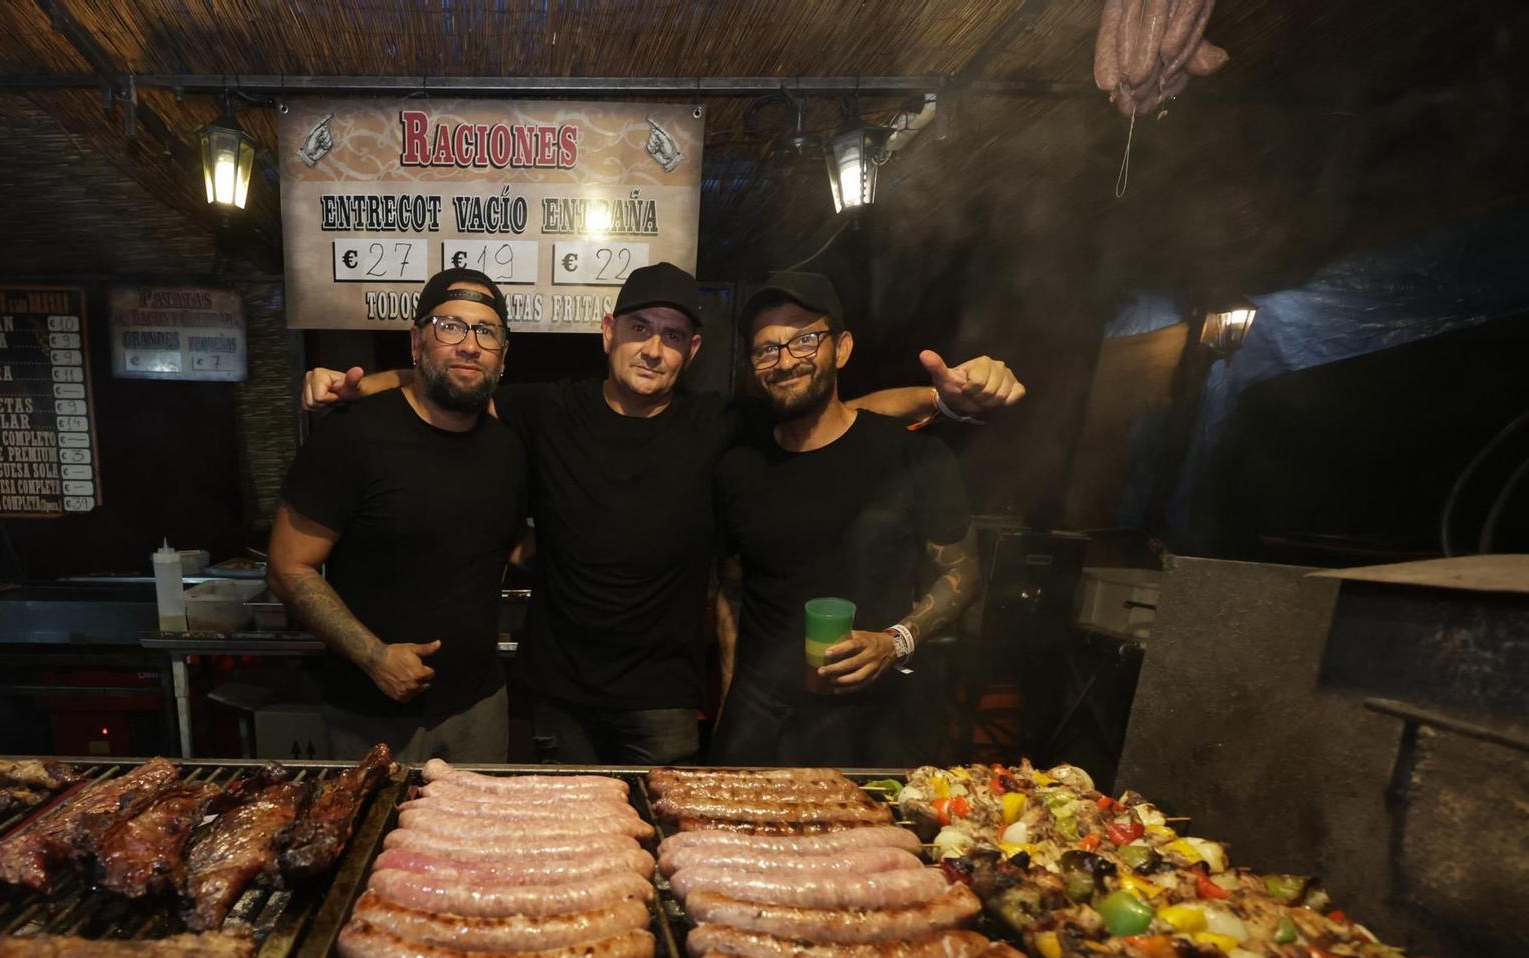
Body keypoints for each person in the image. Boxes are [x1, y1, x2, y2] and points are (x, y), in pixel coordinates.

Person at [299, 263, 1022, 765]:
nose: (653, 348)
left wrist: (945, 400)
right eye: (640, 327)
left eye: (673, 335)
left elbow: (843, 413)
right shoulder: (546, 409)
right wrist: (353, 387)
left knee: (655, 857)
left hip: (665, 701)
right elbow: (450, 382)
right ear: (607, 331)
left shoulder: (720, 422)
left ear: (693, 350)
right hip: (559, 692)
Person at [712, 271, 982, 767]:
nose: (784, 361)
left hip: (870, 724)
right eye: (766, 349)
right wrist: (731, 699)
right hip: (759, 722)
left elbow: (962, 571)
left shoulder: (913, 456)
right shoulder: (738, 467)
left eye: (804, 340)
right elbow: (731, 589)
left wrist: (895, 642)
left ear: (841, 348)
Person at [267, 268, 526, 763]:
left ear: (503, 354)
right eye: (450, 327)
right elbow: (287, 567)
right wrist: (374, 657)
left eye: (486, 332)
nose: (469, 346)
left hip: (480, 710)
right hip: (369, 715)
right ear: (416, 341)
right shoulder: (352, 435)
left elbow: (504, 542)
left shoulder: (509, 446)